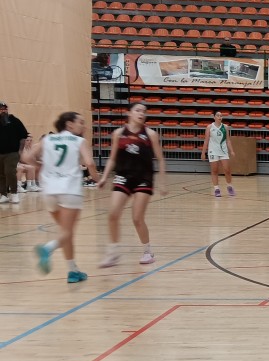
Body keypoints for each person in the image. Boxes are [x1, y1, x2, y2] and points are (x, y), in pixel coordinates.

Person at [27, 112, 99, 283]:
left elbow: (27, 157)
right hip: (69, 189)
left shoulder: (47, 140)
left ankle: (73, 271)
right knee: (67, 232)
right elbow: (89, 163)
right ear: (69, 125)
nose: (84, 126)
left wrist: (42, 165)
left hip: (49, 190)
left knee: (66, 232)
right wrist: (99, 179)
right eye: (81, 122)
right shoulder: (80, 141)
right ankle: (47, 248)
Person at [97, 102, 167, 267]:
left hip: (143, 177)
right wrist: (104, 178)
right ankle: (113, 252)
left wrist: (163, 182)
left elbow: (161, 159)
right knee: (113, 214)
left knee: (137, 218)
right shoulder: (118, 133)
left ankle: (147, 251)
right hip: (123, 176)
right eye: (137, 110)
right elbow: (112, 158)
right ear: (129, 113)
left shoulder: (150, 134)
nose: (141, 113)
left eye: (144, 111)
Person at [0, 101, 30, 205]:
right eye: (1, 109)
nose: (3, 110)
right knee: (1, 175)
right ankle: (3, 195)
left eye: (5, 108)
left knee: (10, 172)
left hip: (12, 153)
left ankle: (14, 193)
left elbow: (23, 136)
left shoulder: (14, 120)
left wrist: (20, 151)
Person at [202, 111, 235, 197]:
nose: (220, 117)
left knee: (227, 170)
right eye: (218, 115)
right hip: (213, 151)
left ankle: (229, 186)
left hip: (223, 151)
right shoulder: (209, 127)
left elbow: (228, 140)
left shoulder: (225, 127)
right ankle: (216, 189)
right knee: (214, 170)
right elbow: (206, 140)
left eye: (221, 116)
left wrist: (231, 150)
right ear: (214, 117)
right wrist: (203, 152)